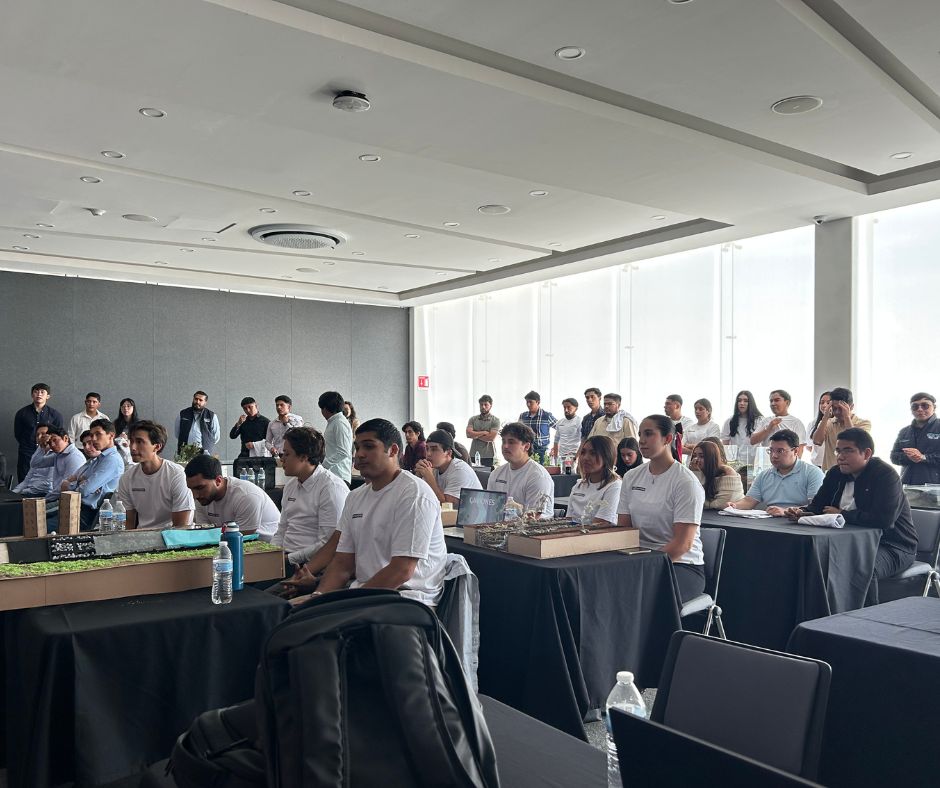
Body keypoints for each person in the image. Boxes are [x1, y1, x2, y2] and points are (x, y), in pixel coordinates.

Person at [314, 419, 447, 607]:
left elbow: (401, 571)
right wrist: (317, 596)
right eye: (357, 447)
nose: (359, 454)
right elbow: (343, 564)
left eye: (368, 446)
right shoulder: (355, 497)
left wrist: (346, 605)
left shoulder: (414, 494)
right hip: (365, 593)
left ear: (393, 450)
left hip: (407, 600)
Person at [786, 428, 917, 605]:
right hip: (846, 543)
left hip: (893, 546)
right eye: (838, 450)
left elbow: (884, 520)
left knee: (861, 567)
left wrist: (842, 515)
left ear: (867, 453)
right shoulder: (835, 473)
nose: (840, 456)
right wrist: (802, 512)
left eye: (848, 450)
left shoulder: (885, 475)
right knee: (811, 561)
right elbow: (817, 507)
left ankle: (864, 624)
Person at [617, 415, 705, 604]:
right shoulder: (631, 477)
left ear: (667, 439)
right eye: (640, 434)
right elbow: (623, 530)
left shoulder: (685, 482)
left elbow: (682, 544)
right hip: (640, 560)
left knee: (639, 598)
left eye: (649, 434)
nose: (641, 440)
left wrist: (644, 567)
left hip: (681, 565)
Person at [272, 427, 350, 597]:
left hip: (310, 566)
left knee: (264, 600)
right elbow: (282, 529)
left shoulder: (331, 488)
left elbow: (327, 543)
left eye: (286, 454)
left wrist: (288, 558)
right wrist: (272, 553)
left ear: (304, 457)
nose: (281, 459)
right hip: (284, 560)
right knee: (244, 585)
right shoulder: (291, 486)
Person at [115, 420, 194, 529]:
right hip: (142, 537)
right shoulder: (127, 478)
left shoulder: (176, 474)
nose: (132, 447)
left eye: (139, 442)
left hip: (171, 538)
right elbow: (129, 522)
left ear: (157, 447)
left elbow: (181, 526)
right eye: (131, 441)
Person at [727, 429, 825, 516]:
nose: (774, 456)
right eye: (771, 451)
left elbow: (815, 506)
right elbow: (749, 501)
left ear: (795, 451)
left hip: (799, 522)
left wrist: (785, 511)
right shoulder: (764, 475)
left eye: (780, 451)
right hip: (770, 522)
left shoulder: (812, 473)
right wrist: (734, 505)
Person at [184, 454, 280, 540]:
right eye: (191, 489)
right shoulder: (202, 499)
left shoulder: (246, 496)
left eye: (200, 488)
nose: (195, 495)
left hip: (267, 548)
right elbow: (204, 535)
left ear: (218, 480)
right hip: (231, 547)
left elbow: (240, 540)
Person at [61, 419, 125, 530]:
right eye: (92, 435)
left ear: (111, 436)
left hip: (86, 514)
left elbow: (85, 490)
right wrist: (81, 483)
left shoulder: (112, 460)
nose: (93, 439)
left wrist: (72, 485)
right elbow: (83, 484)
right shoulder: (97, 459)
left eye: (98, 434)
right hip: (76, 507)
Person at [486, 422, 554, 517]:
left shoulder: (537, 476)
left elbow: (534, 517)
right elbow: (489, 509)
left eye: (511, 442)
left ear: (526, 446)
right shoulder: (496, 474)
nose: (505, 446)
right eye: (503, 441)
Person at [414, 429, 481, 505]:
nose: (428, 454)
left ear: (448, 453)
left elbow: (447, 506)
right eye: (427, 449)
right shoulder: (434, 468)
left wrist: (429, 478)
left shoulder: (459, 470)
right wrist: (418, 477)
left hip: (470, 515)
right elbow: (418, 498)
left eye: (434, 449)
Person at [811, 387, 872, 471]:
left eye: (841, 409)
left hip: (854, 473)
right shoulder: (828, 422)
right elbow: (817, 441)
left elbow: (855, 441)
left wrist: (846, 417)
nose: (837, 412)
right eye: (834, 408)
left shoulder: (864, 423)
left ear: (851, 407)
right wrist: (825, 416)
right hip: (831, 473)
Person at [13, 382, 64, 481]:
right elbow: (18, 433)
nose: (39, 394)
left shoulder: (55, 415)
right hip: (27, 452)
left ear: (48, 396)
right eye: (36, 392)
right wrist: (27, 444)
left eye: (42, 392)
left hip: (48, 453)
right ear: (32, 395)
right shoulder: (22, 413)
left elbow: (58, 435)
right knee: (24, 479)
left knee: (45, 481)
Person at [567, 436, 622, 525]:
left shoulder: (614, 486)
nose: (585, 458)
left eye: (593, 453)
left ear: (606, 457)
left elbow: (601, 524)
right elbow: (568, 521)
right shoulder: (578, 485)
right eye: (583, 452)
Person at [890, 392, 940, 485]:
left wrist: (923, 457)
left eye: (925, 406)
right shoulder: (904, 432)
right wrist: (909, 457)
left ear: (934, 407)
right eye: (915, 406)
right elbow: (893, 457)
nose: (920, 409)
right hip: (908, 487)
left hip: (936, 488)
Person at [690, 440, 744, 509]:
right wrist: (696, 473)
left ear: (711, 457)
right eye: (694, 456)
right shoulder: (699, 471)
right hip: (712, 514)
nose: (696, 459)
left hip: (733, 515)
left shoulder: (727, 472)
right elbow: (692, 497)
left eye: (702, 456)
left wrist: (700, 502)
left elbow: (720, 504)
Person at [40, 426, 87, 498]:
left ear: (66, 438)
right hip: (58, 497)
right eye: (49, 442)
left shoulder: (74, 457)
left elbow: (67, 487)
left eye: (55, 440)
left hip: (68, 500)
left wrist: (46, 499)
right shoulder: (59, 454)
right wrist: (42, 446)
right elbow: (36, 463)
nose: (52, 445)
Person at [319, 391, 353, 483]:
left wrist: (323, 466)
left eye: (321, 409)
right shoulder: (334, 422)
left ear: (325, 408)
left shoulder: (339, 423)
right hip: (333, 474)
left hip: (339, 475)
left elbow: (344, 451)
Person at [721, 390, 763, 467]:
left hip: (754, 463)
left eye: (745, 401)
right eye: (739, 400)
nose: (742, 403)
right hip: (735, 464)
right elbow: (725, 446)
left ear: (751, 403)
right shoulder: (730, 421)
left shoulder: (759, 420)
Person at [174, 390, 221, 456]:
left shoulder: (212, 416)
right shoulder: (182, 414)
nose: (197, 402)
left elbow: (216, 437)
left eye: (200, 400)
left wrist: (207, 444)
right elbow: (177, 434)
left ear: (205, 402)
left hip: (204, 453)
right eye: (196, 399)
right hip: (185, 452)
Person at [12, 424, 53, 495]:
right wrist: (13, 493)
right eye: (37, 435)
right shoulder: (38, 451)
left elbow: (48, 484)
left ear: (51, 436)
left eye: (43, 434)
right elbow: (27, 479)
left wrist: (26, 491)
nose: (39, 437)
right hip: (30, 491)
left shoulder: (56, 454)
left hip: (44, 494)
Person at [518, 391, 556, 463]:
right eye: (527, 402)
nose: (528, 404)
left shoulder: (546, 416)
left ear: (538, 402)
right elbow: (517, 432)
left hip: (542, 450)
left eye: (531, 402)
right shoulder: (523, 416)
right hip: (526, 450)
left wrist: (556, 446)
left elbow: (560, 429)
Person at [466, 395, 500, 467]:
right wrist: (483, 433)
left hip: (488, 455)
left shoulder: (495, 420)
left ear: (490, 405)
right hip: (473, 453)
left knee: (487, 476)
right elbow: (468, 434)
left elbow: (491, 438)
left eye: (486, 405)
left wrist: (475, 435)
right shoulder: (473, 419)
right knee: (474, 475)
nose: (483, 407)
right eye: (481, 404)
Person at [552, 398, 582, 464]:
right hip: (561, 456)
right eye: (564, 407)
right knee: (562, 474)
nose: (566, 410)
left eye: (569, 407)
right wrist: (555, 457)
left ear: (576, 408)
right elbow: (556, 440)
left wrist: (576, 457)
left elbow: (583, 441)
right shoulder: (560, 422)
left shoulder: (579, 421)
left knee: (573, 473)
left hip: (574, 455)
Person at [805, 391, 832, 467]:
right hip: (817, 465)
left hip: (833, 465)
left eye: (828, 403)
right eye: (822, 402)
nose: (824, 405)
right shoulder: (813, 423)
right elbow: (809, 446)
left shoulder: (837, 423)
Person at [113, 397, 139, 467]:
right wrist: (119, 438)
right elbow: (110, 439)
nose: (126, 408)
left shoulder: (139, 424)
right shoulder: (115, 423)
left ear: (133, 408)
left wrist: (130, 441)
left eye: (128, 406)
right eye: (123, 406)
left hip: (133, 453)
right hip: (119, 453)